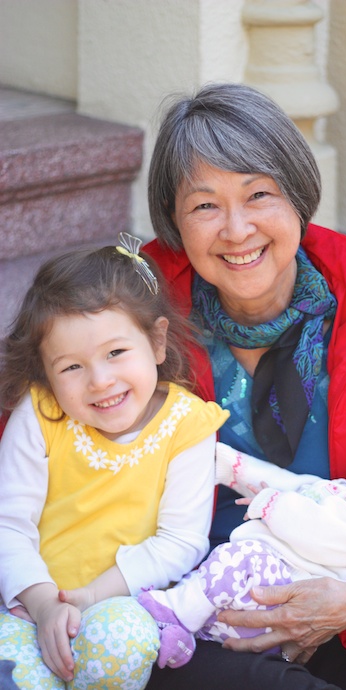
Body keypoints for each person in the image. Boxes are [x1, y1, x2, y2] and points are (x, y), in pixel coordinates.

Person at [142, 83, 346, 690]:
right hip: (191, 604)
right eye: (205, 205)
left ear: (298, 198)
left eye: (259, 194)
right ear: (175, 220)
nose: (237, 230)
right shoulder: (138, 311)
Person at [0, 233, 229, 690]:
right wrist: (46, 605)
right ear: (46, 372)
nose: (100, 381)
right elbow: (8, 525)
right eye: (71, 367)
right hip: (29, 600)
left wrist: (89, 596)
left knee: (123, 642)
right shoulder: (42, 413)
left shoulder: (187, 425)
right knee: (17, 671)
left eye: (115, 353)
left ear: (157, 342)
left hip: (122, 602)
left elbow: (181, 540)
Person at [139, 443, 346, 671]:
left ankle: (172, 613)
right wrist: (232, 466)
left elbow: (319, 533)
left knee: (240, 559)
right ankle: (183, 636)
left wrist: (272, 506)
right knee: (224, 572)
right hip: (262, 600)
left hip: (280, 594)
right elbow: (292, 483)